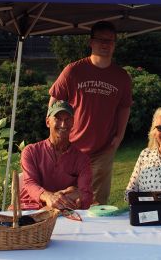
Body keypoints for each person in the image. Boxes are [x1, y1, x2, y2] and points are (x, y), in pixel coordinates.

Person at [48, 21, 133, 205]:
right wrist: (53, 130)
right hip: (70, 146)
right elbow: (55, 99)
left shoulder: (121, 76)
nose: (105, 44)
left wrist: (119, 136)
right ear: (91, 42)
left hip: (103, 148)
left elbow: (124, 107)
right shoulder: (73, 71)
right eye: (101, 40)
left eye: (110, 41)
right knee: (66, 198)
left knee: (97, 202)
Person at [20, 101, 93, 210]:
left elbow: (86, 194)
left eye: (67, 119)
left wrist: (74, 195)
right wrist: (49, 197)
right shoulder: (30, 151)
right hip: (29, 210)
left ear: (73, 122)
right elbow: (30, 183)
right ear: (48, 122)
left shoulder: (82, 159)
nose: (63, 124)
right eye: (57, 119)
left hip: (63, 214)